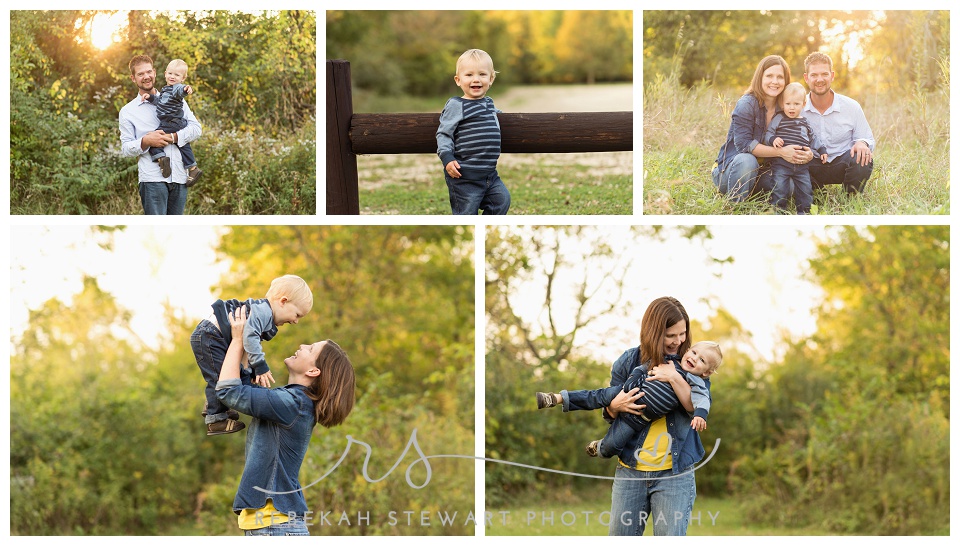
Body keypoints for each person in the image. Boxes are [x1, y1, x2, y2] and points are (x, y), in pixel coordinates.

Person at [217, 306, 355, 536]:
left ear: (313, 371)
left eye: (310, 349)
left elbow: (229, 392)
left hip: (274, 525)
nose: (302, 346)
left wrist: (239, 340)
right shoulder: (292, 401)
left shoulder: (292, 404)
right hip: (276, 524)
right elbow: (240, 386)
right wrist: (245, 338)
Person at [597, 297, 706, 535]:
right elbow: (610, 416)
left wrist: (674, 377)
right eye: (671, 335)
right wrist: (613, 406)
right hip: (630, 471)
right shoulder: (627, 362)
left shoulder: (692, 363)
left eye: (683, 334)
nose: (679, 341)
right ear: (654, 332)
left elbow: (697, 406)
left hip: (674, 475)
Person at [536, 341, 722, 459]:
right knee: (596, 396)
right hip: (627, 390)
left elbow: (702, 400)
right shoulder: (669, 359)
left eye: (702, 361)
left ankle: (598, 447)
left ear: (706, 372)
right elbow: (644, 367)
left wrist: (700, 415)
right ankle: (557, 398)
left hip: (638, 418)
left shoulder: (696, 382)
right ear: (688, 349)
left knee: (613, 445)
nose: (695, 359)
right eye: (695, 352)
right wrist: (632, 379)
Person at [190, 275, 314, 435]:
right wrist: (260, 366)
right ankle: (215, 419)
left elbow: (249, 344)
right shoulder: (263, 312)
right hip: (210, 335)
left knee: (227, 374)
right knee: (219, 377)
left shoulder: (263, 314)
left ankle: (217, 408)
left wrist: (253, 370)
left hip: (214, 336)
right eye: (297, 315)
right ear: (283, 301)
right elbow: (249, 338)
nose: (296, 321)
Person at [712, 55, 814, 202]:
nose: (775, 81)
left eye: (780, 77)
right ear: (760, 77)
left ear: (785, 81)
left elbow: (798, 136)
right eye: (769, 76)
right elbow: (744, 145)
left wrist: (808, 153)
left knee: (791, 186)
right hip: (732, 170)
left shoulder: (786, 108)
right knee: (748, 161)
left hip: (762, 171)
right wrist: (781, 152)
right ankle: (735, 205)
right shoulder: (747, 104)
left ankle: (751, 192)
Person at [119, 54, 202, 215]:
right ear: (133, 78)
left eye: (149, 72)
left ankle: (191, 166)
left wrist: (174, 137)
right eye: (140, 74)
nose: (146, 77)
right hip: (152, 179)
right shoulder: (128, 111)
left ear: (155, 73)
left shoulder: (176, 99)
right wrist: (146, 141)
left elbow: (196, 129)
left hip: (179, 177)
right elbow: (126, 148)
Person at [436, 48, 511, 215]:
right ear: (458, 80)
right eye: (469, 75)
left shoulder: (489, 103)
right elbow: (444, 133)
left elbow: (494, 117)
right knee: (466, 214)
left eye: (482, 75)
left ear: (491, 79)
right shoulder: (456, 105)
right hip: (464, 176)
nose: (476, 79)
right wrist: (447, 158)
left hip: (489, 175)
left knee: (502, 200)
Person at [802, 52, 875, 194]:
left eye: (824, 74)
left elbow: (867, 138)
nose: (819, 79)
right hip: (811, 165)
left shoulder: (851, 106)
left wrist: (862, 143)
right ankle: (816, 194)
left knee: (863, 156)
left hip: (842, 163)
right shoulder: (797, 108)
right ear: (806, 78)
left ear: (832, 75)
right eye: (814, 75)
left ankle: (851, 196)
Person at [762, 82, 829, 214]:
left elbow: (813, 138)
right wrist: (773, 139)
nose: (791, 108)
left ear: (803, 104)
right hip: (781, 164)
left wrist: (822, 150)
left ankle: (804, 211)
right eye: (788, 104)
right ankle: (778, 210)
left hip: (801, 166)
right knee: (779, 187)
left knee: (805, 189)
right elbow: (768, 133)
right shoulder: (779, 118)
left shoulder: (805, 122)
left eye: (796, 104)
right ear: (782, 103)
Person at [140, 59, 203, 187]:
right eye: (170, 73)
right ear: (165, 74)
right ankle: (192, 168)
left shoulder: (176, 88)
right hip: (172, 122)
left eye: (177, 75)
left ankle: (162, 159)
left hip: (171, 122)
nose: (172, 77)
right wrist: (150, 97)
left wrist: (185, 89)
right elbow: (160, 101)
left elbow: (180, 91)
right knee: (183, 145)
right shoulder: (165, 90)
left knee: (153, 139)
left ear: (183, 78)